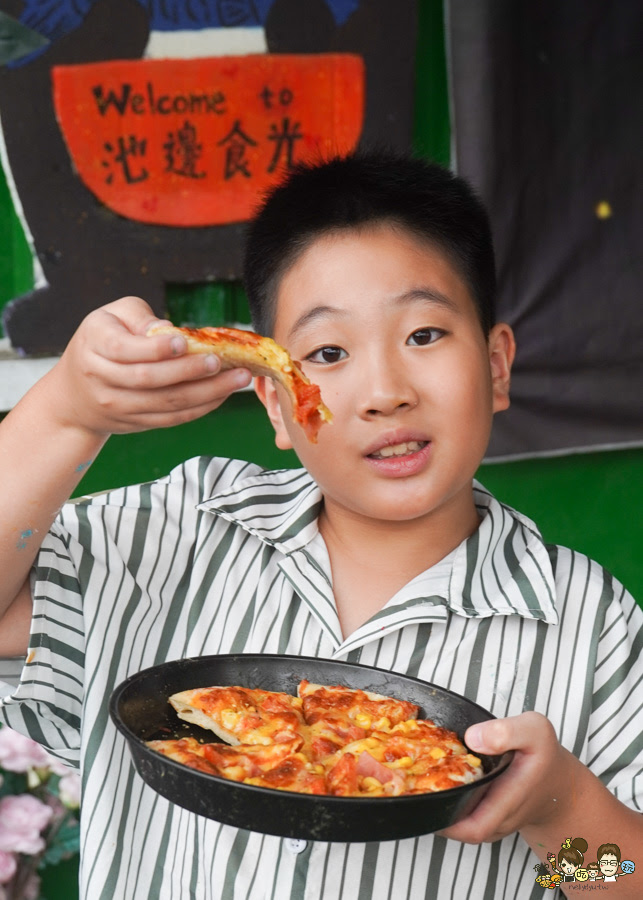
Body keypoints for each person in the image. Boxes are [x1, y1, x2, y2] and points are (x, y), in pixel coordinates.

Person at [0, 150, 642, 899]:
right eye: (329, 352)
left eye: (424, 335)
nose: (383, 392)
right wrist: (63, 413)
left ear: (497, 366)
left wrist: (557, 813)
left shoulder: (585, 623)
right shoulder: (168, 533)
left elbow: (624, 877)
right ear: (276, 404)